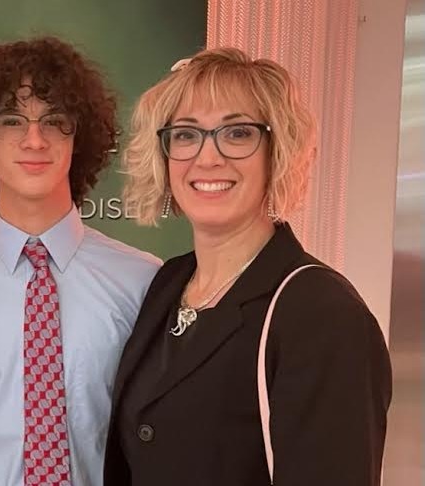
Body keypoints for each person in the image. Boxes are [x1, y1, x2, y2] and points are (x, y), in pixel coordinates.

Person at [104, 47, 392, 485]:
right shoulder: (168, 283)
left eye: (237, 133)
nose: (208, 158)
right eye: (186, 134)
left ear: (276, 152)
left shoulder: (322, 313)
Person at [0, 37, 161, 486]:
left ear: (79, 139)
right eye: (12, 120)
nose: (35, 139)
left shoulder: (144, 283)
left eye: (55, 121)